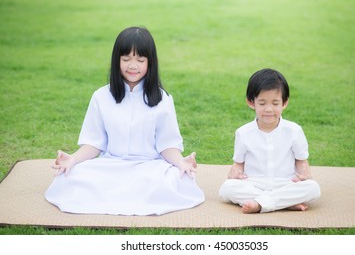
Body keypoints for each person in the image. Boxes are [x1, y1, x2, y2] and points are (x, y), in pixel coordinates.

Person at [45, 26, 205, 216]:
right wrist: (72, 159)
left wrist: (181, 162)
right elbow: (94, 144)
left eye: (140, 59)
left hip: (149, 168)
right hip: (111, 166)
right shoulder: (101, 96)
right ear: (117, 60)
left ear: (150, 62)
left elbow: (167, 144)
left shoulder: (162, 99)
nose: (133, 65)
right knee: (70, 177)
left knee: (177, 180)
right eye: (126, 59)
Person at [219, 68, 320, 214]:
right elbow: (238, 164)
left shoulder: (294, 130)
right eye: (262, 103)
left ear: (284, 103)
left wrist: (305, 175)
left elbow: (301, 161)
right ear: (251, 102)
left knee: (313, 188)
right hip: (254, 183)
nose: (268, 109)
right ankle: (283, 203)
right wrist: (235, 174)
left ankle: (262, 203)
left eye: (275, 103)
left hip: (285, 183)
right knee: (227, 188)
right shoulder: (243, 132)